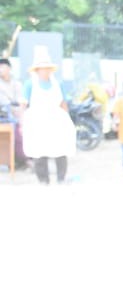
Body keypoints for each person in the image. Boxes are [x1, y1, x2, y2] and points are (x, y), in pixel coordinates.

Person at [19, 47, 73, 184]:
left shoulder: (57, 84)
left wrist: (68, 121)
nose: (45, 70)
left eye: (47, 68)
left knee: (60, 149)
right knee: (39, 150)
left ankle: (61, 178)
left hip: (56, 120)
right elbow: (23, 105)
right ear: (37, 70)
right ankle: (43, 180)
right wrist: (22, 123)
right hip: (37, 121)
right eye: (42, 68)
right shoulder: (29, 84)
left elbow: (63, 103)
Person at [0, 57, 27, 167]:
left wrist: (22, 115)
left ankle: (25, 158)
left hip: (18, 113)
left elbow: (22, 101)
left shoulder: (17, 84)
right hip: (4, 115)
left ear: (9, 68)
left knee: (25, 128)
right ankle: (17, 160)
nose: (1, 69)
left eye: (3, 67)